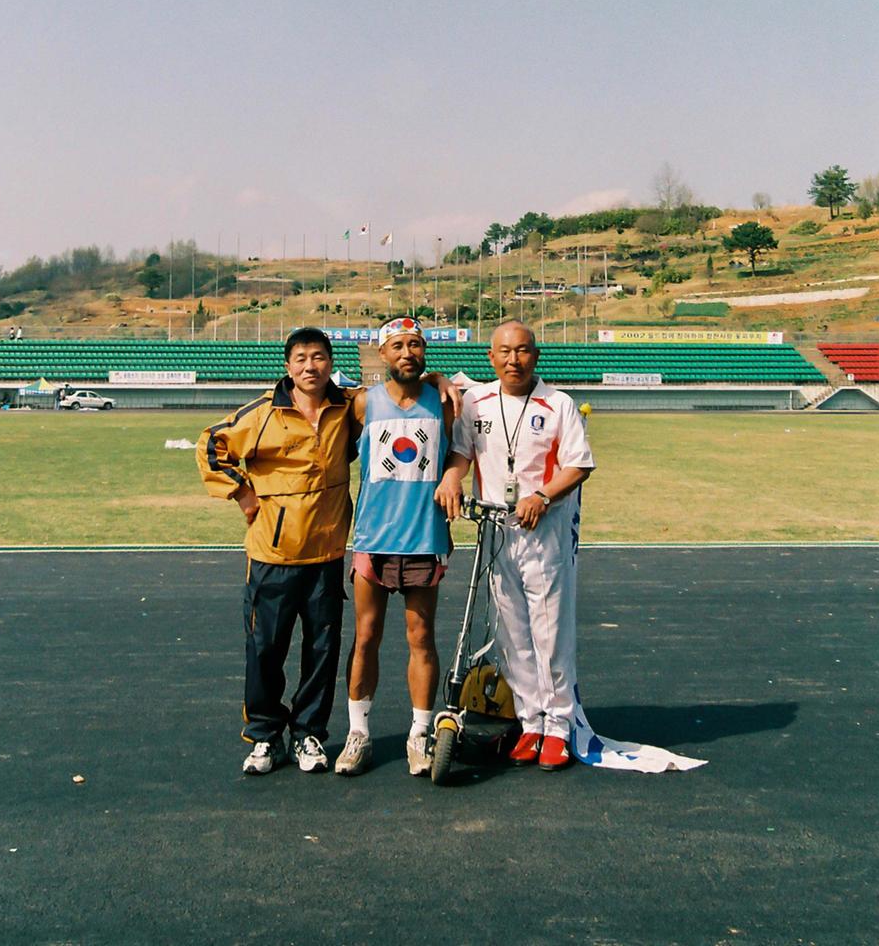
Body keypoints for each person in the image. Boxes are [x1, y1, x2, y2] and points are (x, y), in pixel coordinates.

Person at [438, 322, 705, 776]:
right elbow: (461, 452)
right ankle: (530, 722)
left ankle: (559, 727)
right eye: (504, 351)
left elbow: (578, 465)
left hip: (544, 534)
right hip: (497, 532)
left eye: (522, 351)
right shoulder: (477, 403)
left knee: (550, 633)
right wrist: (451, 477)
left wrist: (541, 496)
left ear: (535, 356)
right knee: (512, 635)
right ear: (490, 356)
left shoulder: (559, 404)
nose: (513, 360)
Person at [197, 326, 462, 778]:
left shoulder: (347, 405)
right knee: (268, 651)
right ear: (288, 365)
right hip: (275, 552)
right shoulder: (271, 411)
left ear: (329, 362)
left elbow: (421, 398)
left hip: (328, 553)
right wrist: (241, 493)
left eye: (318, 357)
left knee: (323, 651)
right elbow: (210, 445)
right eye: (300, 358)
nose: (309, 366)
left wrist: (437, 378)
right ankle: (265, 737)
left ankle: (310, 734)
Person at [334, 318, 453, 779]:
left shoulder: (445, 401)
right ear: (382, 355)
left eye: (416, 345)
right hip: (372, 540)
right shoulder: (363, 404)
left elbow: (461, 449)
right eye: (398, 345)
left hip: (425, 539)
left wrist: (454, 473)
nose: (408, 352)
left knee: (421, 640)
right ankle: (358, 732)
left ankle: (418, 735)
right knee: (366, 637)